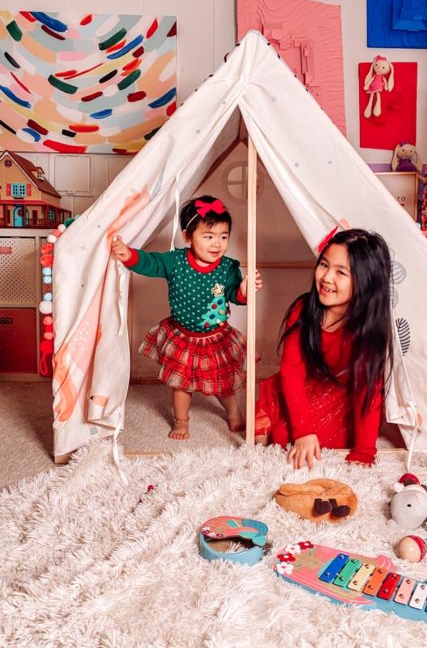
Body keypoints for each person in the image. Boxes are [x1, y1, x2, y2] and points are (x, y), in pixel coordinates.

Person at [111, 195, 262, 440]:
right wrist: (128, 255)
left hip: (216, 337)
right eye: (208, 236)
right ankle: (181, 421)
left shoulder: (227, 268)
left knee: (222, 383)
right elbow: (150, 262)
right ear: (187, 237)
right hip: (183, 337)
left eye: (223, 237)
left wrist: (244, 290)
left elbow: (234, 294)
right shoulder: (175, 261)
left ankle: (234, 413)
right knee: (181, 385)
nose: (217, 244)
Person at [255, 228, 393, 469]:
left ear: (366, 281)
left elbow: (368, 392)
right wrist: (303, 431)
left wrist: (364, 451)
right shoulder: (303, 309)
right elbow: (292, 372)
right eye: (324, 265)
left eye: (341, 272)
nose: (327, 277)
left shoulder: (368, 329)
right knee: (280, 437)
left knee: (313, 444)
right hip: (306, 383)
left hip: (343, 395)